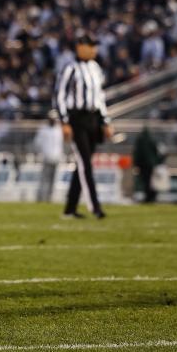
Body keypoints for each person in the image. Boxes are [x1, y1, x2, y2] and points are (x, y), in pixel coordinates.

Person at [54, 30, 111, 219]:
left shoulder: (95, 68)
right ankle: (95, 207)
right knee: (85, 163)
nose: (94, 49)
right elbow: (60, 95)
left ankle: (70, 209)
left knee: (83, 165)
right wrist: (64, 121)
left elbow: (100, 97)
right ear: (80, 47)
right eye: (91, 46)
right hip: (77, 119)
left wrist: (105, 121)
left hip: (93, 119)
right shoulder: (70, 68)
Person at [34, 111, 63, 202]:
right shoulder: (43, 129)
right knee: (44, 179)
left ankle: (49, 198)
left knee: (53, 180)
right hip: (46, 157)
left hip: (57, 157)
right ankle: (41, 197)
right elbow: (38, 143)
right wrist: (41, 153)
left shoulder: (59, 129)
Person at [132, 126, 163, 203]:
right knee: (149, 181)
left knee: (145, 181)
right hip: (150, 164)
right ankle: (150, 196)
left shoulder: (140, 140)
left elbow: (137, 153)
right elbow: (157, 151)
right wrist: (157, 161)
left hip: (142, 164)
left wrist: (135, 163)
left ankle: (149, 196)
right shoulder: (151, 139)